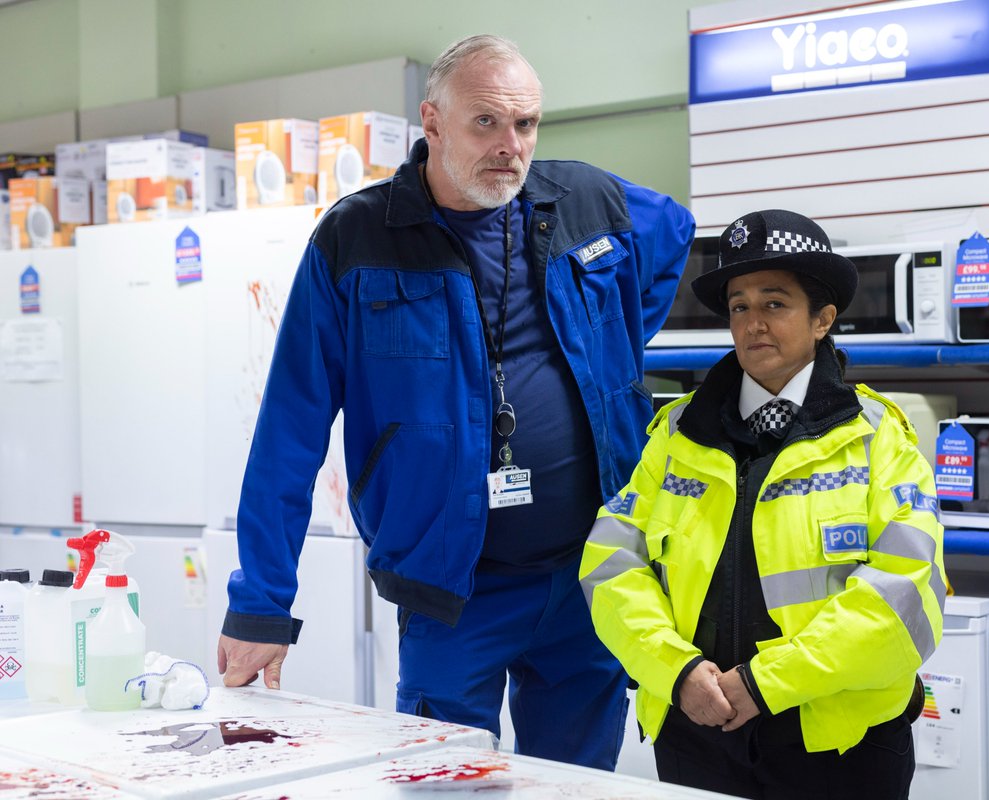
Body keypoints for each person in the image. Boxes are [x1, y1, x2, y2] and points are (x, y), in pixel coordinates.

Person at [217, 33, 695, 771]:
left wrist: (614, 353)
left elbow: (673, 236)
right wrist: (261, 606)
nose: (511, 145)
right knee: (445, 781)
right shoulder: (358, 238)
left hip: (592, 580)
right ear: (432, 122)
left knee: (575, 786)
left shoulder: (586, 200)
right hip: (453, 592)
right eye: (487, 123)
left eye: (527, 124)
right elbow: (290, 429)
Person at [580, 209, 944, 798]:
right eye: (739, 306)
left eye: (775, 303)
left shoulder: (879, 439)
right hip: (698, 734)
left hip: (840, 745)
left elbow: (905, 598)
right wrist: (675, 672)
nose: (754, 324)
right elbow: (610, 565)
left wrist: (764, 684)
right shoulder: (676, 436)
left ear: (822, 319)